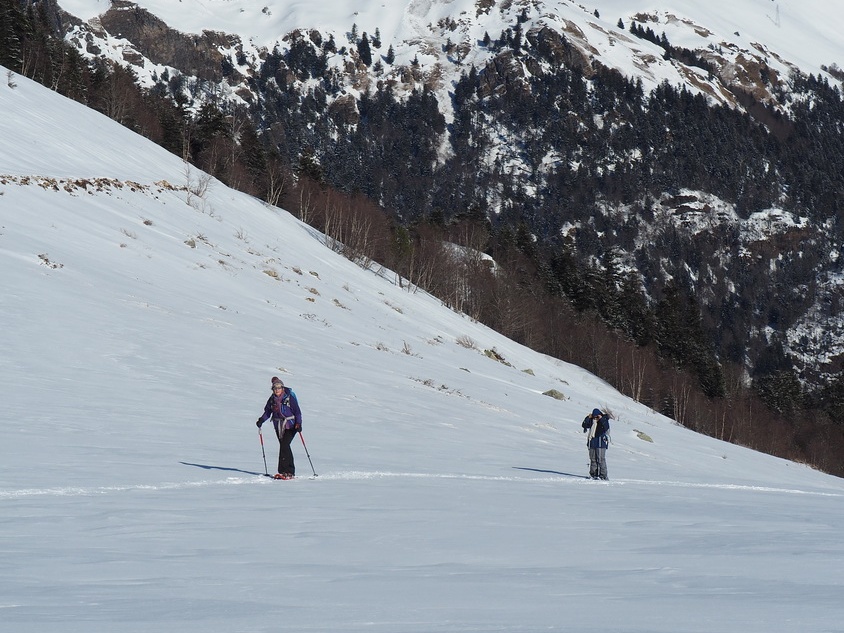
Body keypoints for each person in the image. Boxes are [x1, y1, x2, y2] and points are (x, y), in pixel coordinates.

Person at [256, 377, 302, 479]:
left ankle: (286, 471)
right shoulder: (272, 399)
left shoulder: (289, 398)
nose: (277, 390)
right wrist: (261, 420)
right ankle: (288, 471)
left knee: (284, 445)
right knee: (284, 446)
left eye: (279, 388)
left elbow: (297, 411)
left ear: (282, 388)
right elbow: (268, 412)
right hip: (279, 426)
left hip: (291, 425)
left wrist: (298, 423)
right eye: (275, 388)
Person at [582, 408, 610, 480]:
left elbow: (606, 427)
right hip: (592, 441)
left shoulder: (604, 420)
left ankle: (603, 475)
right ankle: (593, 474)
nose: (595, 418)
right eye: (594, 417)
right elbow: (584, 425)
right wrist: (588, 418)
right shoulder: (592, 421)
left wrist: (601, 419)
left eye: (596, 417)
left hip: (600, 442)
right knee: (593, 459)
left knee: (601, 459)